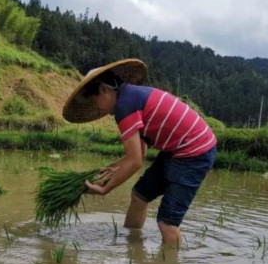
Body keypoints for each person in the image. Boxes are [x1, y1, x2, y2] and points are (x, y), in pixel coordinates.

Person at [62, 59, 217, 245]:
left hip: (194, 152)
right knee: (139, 195)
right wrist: (115, 167)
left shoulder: (125, 105)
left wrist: (105, 189)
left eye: (95, 100)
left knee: (167, 222)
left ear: (104, 89)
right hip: (177, 149)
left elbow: (135, 161)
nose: (98, 107)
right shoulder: (131, 97)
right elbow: (139, 153)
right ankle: (132, 245)